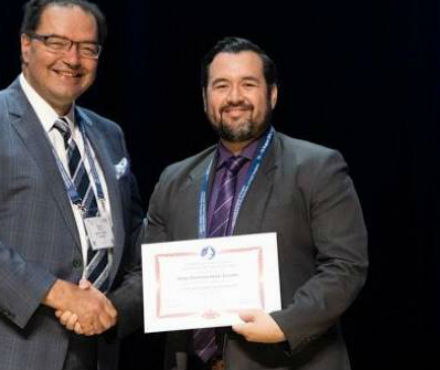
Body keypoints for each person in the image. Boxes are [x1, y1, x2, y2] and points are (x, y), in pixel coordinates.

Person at [0, 1, 144, 369]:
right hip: (0, 352)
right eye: (56, 42)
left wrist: (114, 308)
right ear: (26, 46)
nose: (72, 59)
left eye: (87, 48)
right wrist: (63, 295)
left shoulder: (110, 135)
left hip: (93, 352)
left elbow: (134, 240)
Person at [145, 37, 368, 370]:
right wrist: (102, 307)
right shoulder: (174, 180)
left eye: (248, 84)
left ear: (272, 94)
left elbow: (345, 266)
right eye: (221, 85)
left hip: (288, 361)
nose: (235, 97)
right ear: (205, 98)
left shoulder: (317, 167)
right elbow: (149, 277)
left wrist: (284, 325)